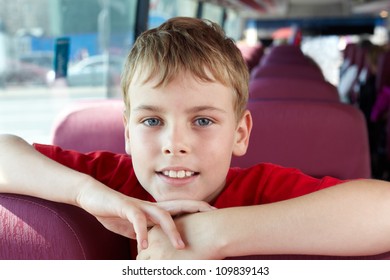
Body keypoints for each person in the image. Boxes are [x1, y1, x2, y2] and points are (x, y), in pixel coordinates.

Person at [1, 17, 390, 260]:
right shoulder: (112, 182)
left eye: (202, 120)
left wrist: (217, 234)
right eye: (152, 121)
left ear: (240, 134)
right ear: (127, 134)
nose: (175, 143)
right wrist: (85, 193)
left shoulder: (260, 190)